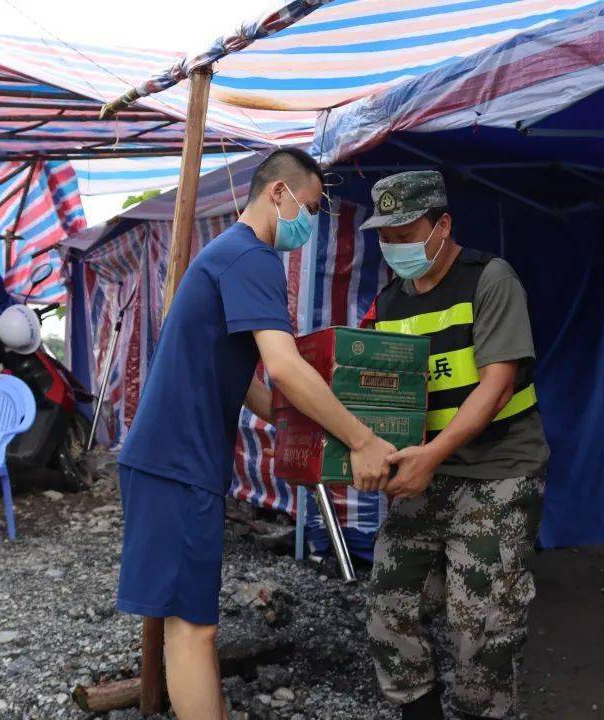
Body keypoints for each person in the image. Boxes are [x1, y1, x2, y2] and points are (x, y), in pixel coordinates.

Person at [115, 147, 396, 720]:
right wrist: (363, 438)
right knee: (194, 628)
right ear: (278, 193)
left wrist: (305, 432)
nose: (311, 222)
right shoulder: (251, 257)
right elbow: (287, 366)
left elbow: (243, 383)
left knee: (179, 619)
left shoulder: (224, 255)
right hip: (179, 463)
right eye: (311, 207)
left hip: (165, 458)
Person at [359, 171, 550, 720]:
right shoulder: (390, 303)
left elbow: (498, 383)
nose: (393, 246)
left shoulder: (489, 279)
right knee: (389, 607)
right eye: (384, 236)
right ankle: (419, 711)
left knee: (482, 621)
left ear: (441, 225)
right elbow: (371, 393)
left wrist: (432, 456)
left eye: (405, 232)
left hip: (499, 469)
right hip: (423, 473)